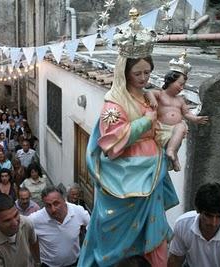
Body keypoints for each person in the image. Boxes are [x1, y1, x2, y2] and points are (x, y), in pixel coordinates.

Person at [78, 8, 179, 267]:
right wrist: (147, 121)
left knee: (155, 236)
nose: (144, 79)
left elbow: (160, 127)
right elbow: (112, 146)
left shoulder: (148, 96)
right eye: (138, 74)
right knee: (112, 235)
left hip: (152, 174)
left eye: (147, 73)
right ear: (125, 73)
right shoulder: (114, 104)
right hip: (123, 176)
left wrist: (167, 138)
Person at [146, 52, 208, 171]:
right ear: (170, 81)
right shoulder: (160, 94)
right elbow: (148, 92)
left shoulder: (180, 100)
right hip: (161, 127)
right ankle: (173, 157)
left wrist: (196, 119)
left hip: (175, 129)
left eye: (183, 86)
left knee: (181, 126)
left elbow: (186, 113)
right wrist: (153, 100)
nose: (181, 88)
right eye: (179, 84)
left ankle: (171, 152)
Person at [168, 182, 220, 267]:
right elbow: (175, 259)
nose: (213, 223)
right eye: (208, 216)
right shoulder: (183, 224)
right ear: (198, 210)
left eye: (219, 216)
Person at [29, 186, 90, 267]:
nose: (53, 209)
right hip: (48, 265)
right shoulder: (36, 219)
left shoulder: (77, 211)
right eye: (48, 205)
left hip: (75, 263)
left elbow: (93, 227)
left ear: (64, 200)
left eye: (56, 203)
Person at [0, 193, 40, 267]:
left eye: (16, 215)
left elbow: (34, 241)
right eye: (7, 220)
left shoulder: (26, 223)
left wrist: (37, 262)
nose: (15, 223)